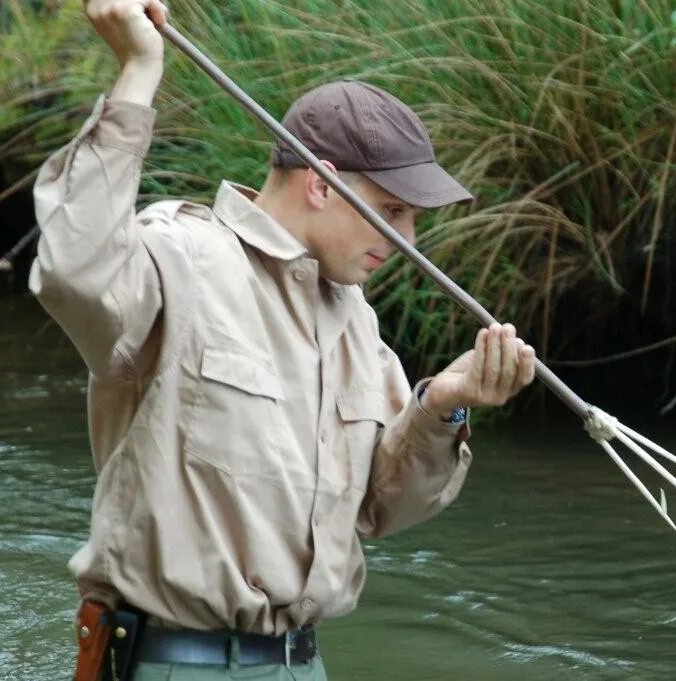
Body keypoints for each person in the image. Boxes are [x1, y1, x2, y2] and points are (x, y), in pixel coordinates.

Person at [31, 1, 536, 679]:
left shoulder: (356, 319)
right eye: (392, 212)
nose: (408, 242)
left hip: (304, 664)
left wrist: (442, 404)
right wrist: (139, 69)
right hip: (172, 663)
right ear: (321, 184)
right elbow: (73, 269)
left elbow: (381, 506)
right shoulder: (179, 255)